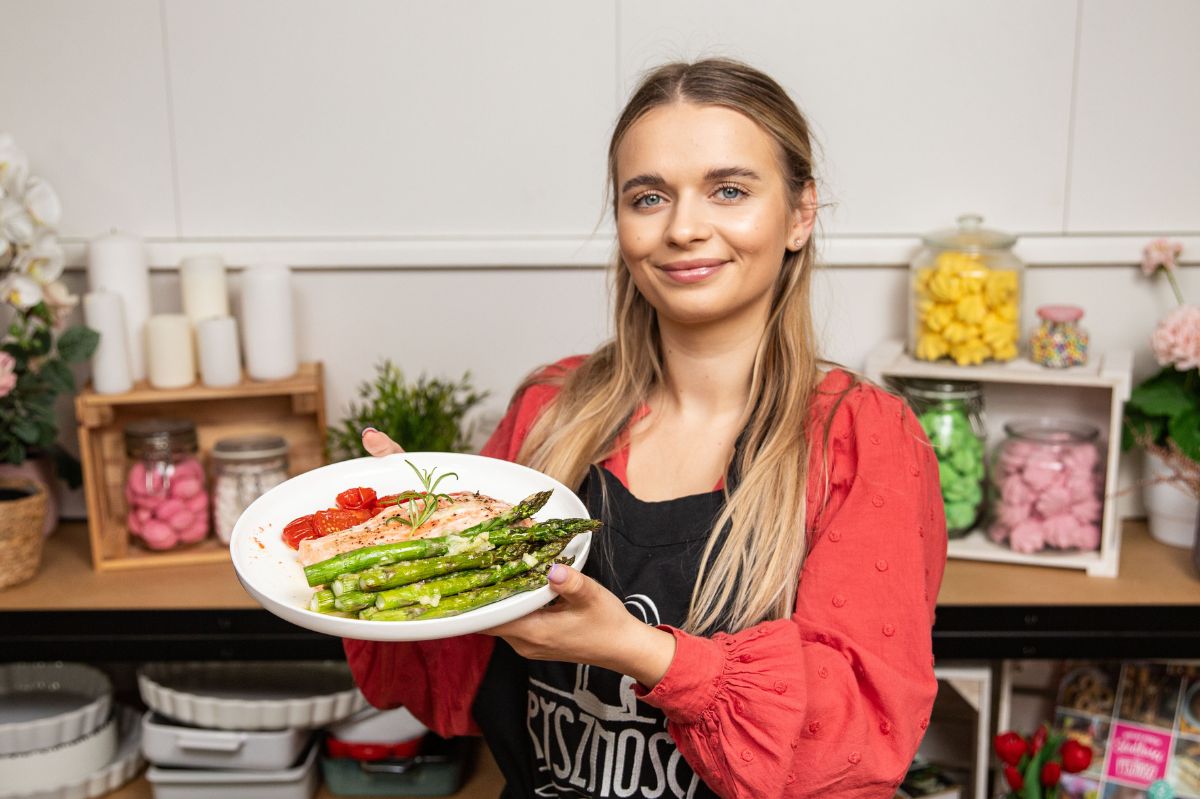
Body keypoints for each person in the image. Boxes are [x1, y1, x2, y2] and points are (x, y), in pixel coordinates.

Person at [345, 58, 947, 798]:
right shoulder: (552, 409)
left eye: (729, 190)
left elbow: (854, 742)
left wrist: (636, 649)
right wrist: (419, 544)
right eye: (649, 196)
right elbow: (444, 666)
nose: (684, 228)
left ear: (800, 214)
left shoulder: (862, 436)